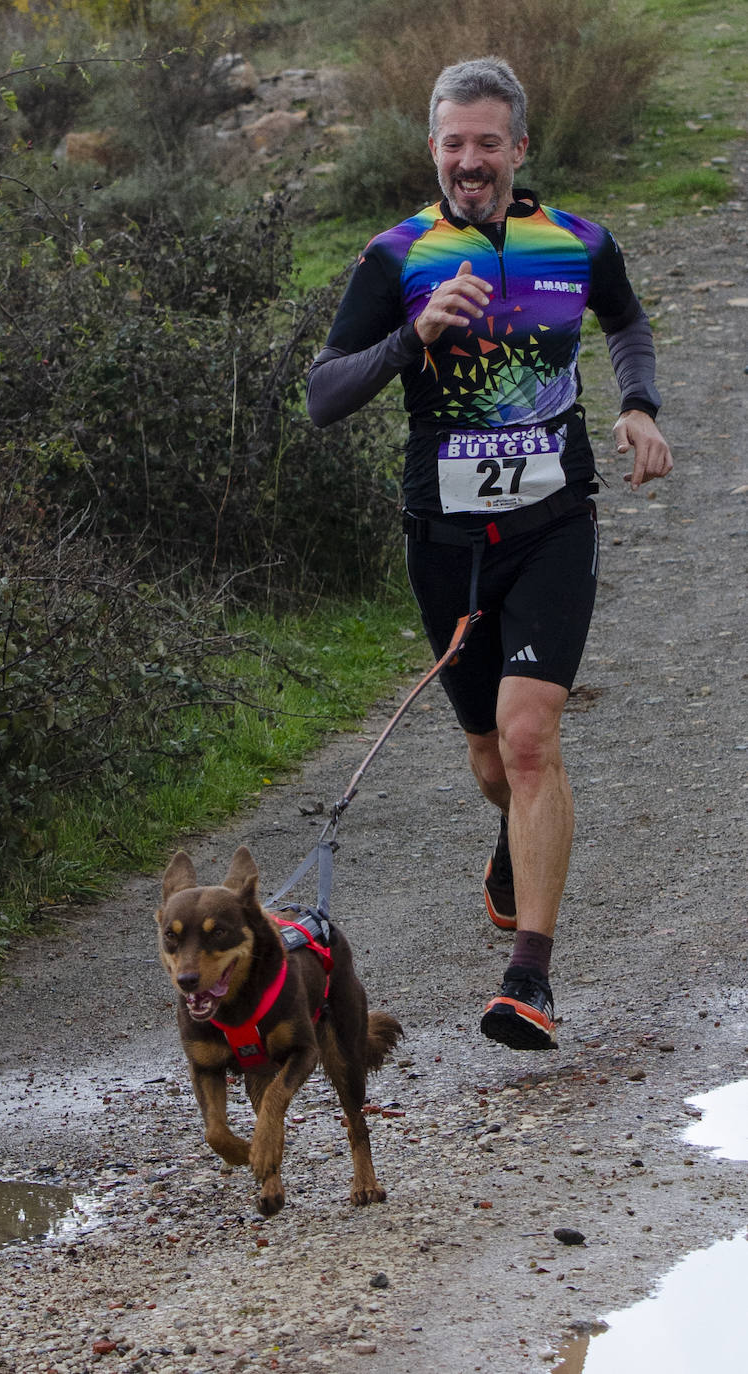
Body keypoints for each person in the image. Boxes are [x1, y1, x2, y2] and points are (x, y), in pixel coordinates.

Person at [306, 56, 673, 1052]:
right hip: (447, 544)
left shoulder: (579, 242)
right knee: (487, 759)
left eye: (488, 143)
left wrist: (638, 406)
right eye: (453, 144)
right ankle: (512, 844)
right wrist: (411, 339)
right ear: (433, 149)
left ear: (519, 147)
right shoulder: (398, 257)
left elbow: (627, 321)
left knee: (527, 737)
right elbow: (324, 394)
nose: (471, 161)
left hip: (555, 524)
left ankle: (530, 981)